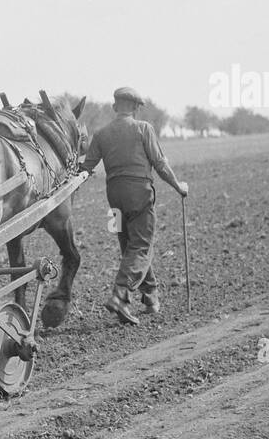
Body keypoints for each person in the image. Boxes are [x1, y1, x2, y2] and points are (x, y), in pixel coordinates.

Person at [80, 87, 189, 324]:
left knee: (129, 246)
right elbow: (159, 164)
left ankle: (151, 297)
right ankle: (120, 296)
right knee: (141, 246)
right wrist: (178, 186)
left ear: (114, 106)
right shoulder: (143, 129)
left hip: (113, 199)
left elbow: (85, 168)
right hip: (138, 194)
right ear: (136, 108)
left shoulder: (100, 134)